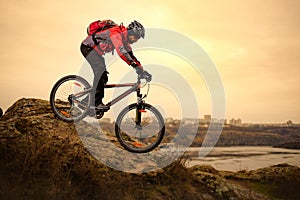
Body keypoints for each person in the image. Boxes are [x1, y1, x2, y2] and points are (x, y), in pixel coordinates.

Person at [80, 20, 146, 116]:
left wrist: (141, 70)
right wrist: (133, 65)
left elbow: (131, 55)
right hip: (87, 47)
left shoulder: (124, 40)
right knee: (100, 71)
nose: (136, 40)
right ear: (130, 32)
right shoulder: (116, 33)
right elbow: (121, 51)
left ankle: (86, 101)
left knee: (104, 78)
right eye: (136, 37)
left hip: (96, 52)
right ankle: (96, 103)